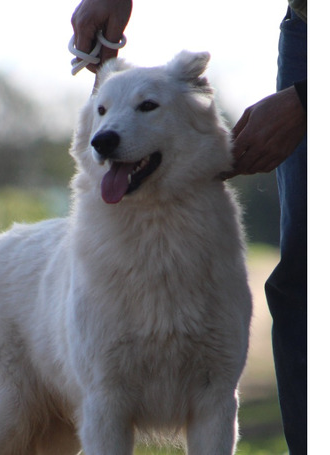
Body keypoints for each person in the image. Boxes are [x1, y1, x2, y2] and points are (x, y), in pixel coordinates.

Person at [71, 1, 307, 453]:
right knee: (303, 288)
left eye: (147, 107)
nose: (108, 131)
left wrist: (307, 97)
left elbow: (215, 397)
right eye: (102, 114)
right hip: (308, 23)